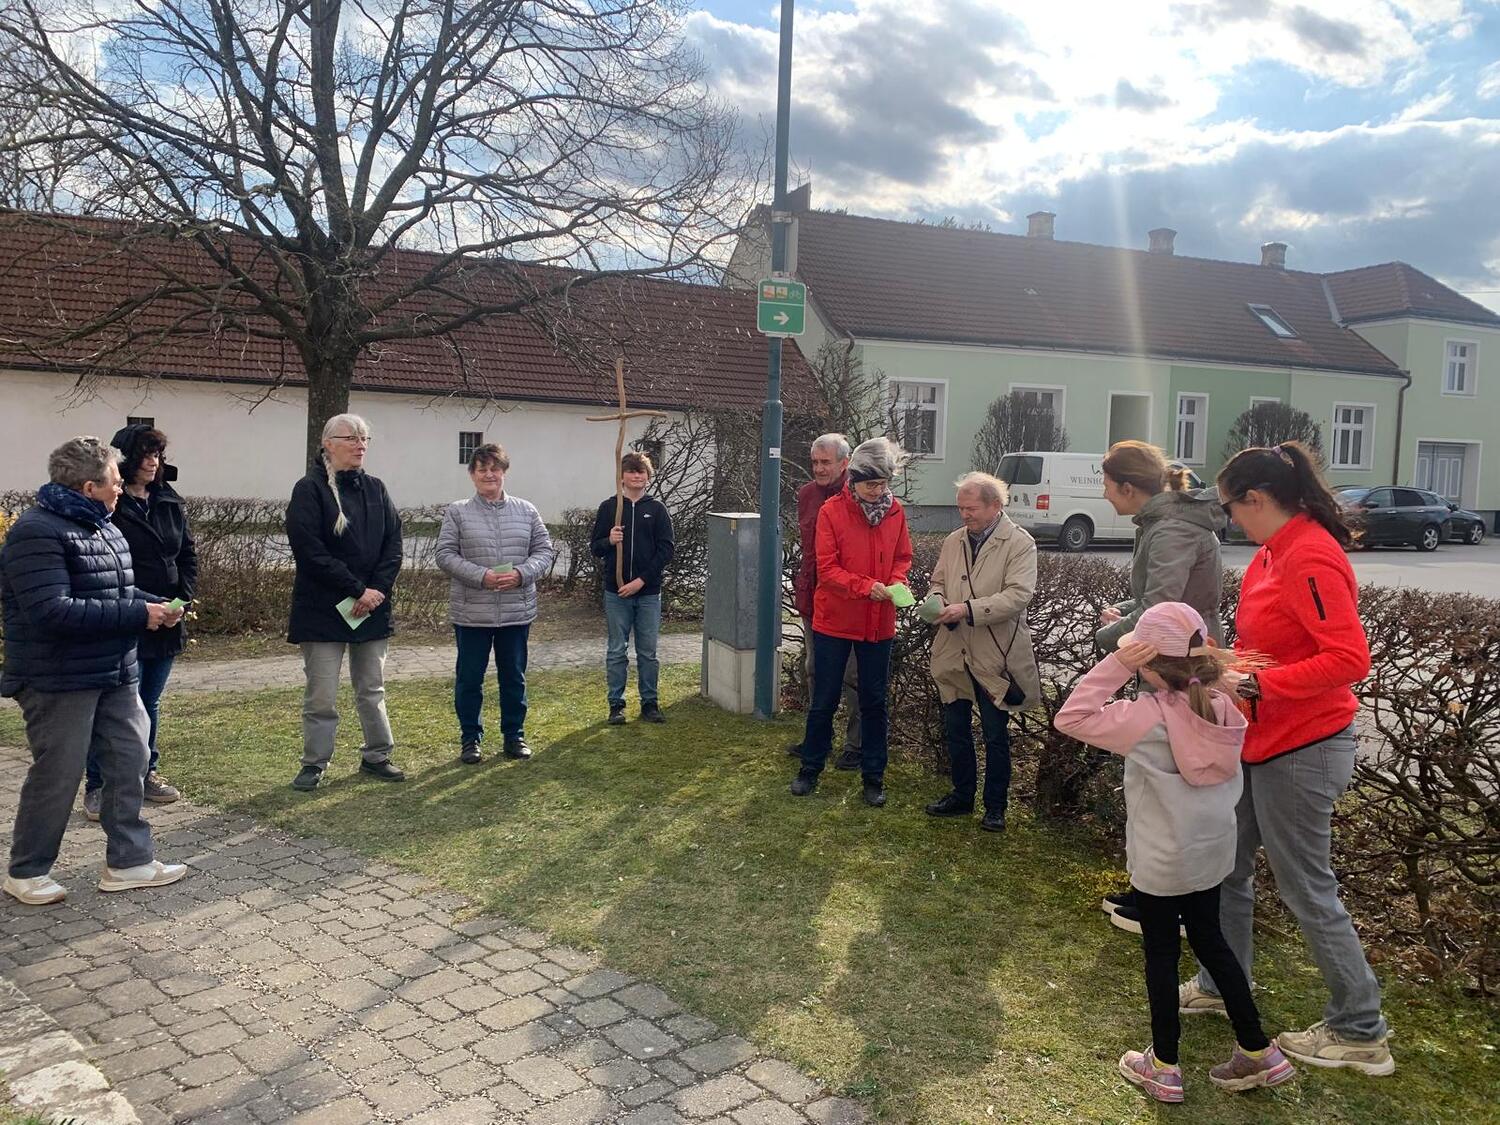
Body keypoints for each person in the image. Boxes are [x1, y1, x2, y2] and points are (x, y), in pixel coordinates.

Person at [1179, 441, 1394, 1076]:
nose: (1228, 520)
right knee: (1225, 867)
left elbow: (1348, 660)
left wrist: (1255, 685)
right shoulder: (1274, 551)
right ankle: (1222, 983)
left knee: (1307, 890)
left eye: (1230, 508)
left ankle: (1360, 1029)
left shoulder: (1310, 555)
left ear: (1258, 499)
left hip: (1304, 749)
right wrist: (1221, 662)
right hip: (1263, 741)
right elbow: (1275, 644)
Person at [1055, 602, 1296, 1103]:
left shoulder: (1147, 716)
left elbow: (1071, 717)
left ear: (1147, 664)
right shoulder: (1223, 706)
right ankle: (1258, 1049)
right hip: (1212, 852)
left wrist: (1114, 665)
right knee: (1212, 941)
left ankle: (1163, 1065)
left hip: (1162, 859)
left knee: (1161, 954)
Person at [2, 437, 188, 905]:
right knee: (59, 774)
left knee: (130, 762)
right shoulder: (35, 532)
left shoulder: (104, 527)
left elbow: (114, 592)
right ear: (89, 487)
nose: (121, 488)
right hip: (58, 679)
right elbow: (51, 611)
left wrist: (155, 604)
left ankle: (129, 862)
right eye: (115, 481)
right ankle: (27, 871)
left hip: (116, 671)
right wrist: (138, 615)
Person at [1095, 440, 1227, 932]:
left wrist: (1111, 637)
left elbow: (1161, 608)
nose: (1105, 495)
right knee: (1154, 781)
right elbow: (1157, 604)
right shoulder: (1165, 522)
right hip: (1173, 663)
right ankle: (1150, 889)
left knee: (1168, 784)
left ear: (1129, 487)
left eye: (1108, 486)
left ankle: (1168, 901)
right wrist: (1126, 617)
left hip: (1178, 669)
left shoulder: (1170, 529)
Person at [78, 425, 196, 821]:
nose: (152, 462)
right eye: (145, 454)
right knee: (114, 704)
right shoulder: (111, 504)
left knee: (150, 701)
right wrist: (141, 608)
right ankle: (98, 784)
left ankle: (146, 773)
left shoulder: (169, 501)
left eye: (157, 454)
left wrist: (181, 601)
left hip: (168, 618)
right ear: (125, 459)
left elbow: (187, 555)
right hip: (125, 617)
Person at [790, 437, 912, 807]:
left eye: (883, 484)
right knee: (824, 699)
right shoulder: (832, 511)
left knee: (874, 701)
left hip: (878, 622)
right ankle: (810, 768)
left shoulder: (895, 511)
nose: (878, 491)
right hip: (835, 621)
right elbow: (827, 570)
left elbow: (902, 556)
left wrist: (897, 581)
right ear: (854, 481)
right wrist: (865, 587)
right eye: (871, 484)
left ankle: (873, 777)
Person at [285, 414, 405, 791]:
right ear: (328, 444)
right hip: (323, 609)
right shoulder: (309, 489)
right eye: (351, 438)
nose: (360, 444)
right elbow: (310, 551)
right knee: (322, 695)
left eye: (364, 438)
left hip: (371, 607)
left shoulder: (376, 489)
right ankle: (314, 763)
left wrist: (376, 591)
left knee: (372, 688)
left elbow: (393, 545)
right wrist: (356, 589)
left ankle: (377, 755)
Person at [924, 472, 1041, 832]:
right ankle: (962, 796)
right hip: (954, 649)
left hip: (994, 653)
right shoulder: (953, 540)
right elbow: (938, 581)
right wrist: (938, 600)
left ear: (995, 505)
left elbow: (1019, 595)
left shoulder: (1020, 543)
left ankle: (995, 807)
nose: (964, 515)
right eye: (961, 508)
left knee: (995, 733)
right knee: (956, 728)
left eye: (971, 508)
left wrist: (967, 609)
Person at [436, 443, 556, 763]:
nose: (489, 474)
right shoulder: (458, 512)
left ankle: (514, 736)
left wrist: (521, 574)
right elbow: (445, 555)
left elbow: (544, 551)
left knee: (513, 677)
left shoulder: (527, 511)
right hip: (472, 612)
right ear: (472, 475)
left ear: (504, 472)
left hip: (516, 611)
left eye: (495, 468)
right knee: (469, 679)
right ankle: (470, 739)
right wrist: (481, 576)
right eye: (482, 469)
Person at [786, 434, 862, 769]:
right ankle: (818, 738)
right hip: (814, 598)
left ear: (844, 463)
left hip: (849, 600)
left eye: (825, 462)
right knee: (815, 669)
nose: (818, 468)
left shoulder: (859, 495)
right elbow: (809, 552)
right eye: (814, 462)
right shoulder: (806, 495)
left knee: (853, 675)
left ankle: (856, 745)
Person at [589, 452, 675, 724]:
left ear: (648, 477)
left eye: (641, 472)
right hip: (616, 593)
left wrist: (641, 581)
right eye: (631, 471)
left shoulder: (657, 509)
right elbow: (595, 547)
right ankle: (616, 705)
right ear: (622, 476)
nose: (637, 476)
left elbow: (666, 550)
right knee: (617, 650)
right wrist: (609, 540)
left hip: (648, 593)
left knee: (648, 652)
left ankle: (650, 703)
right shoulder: (610, 508)